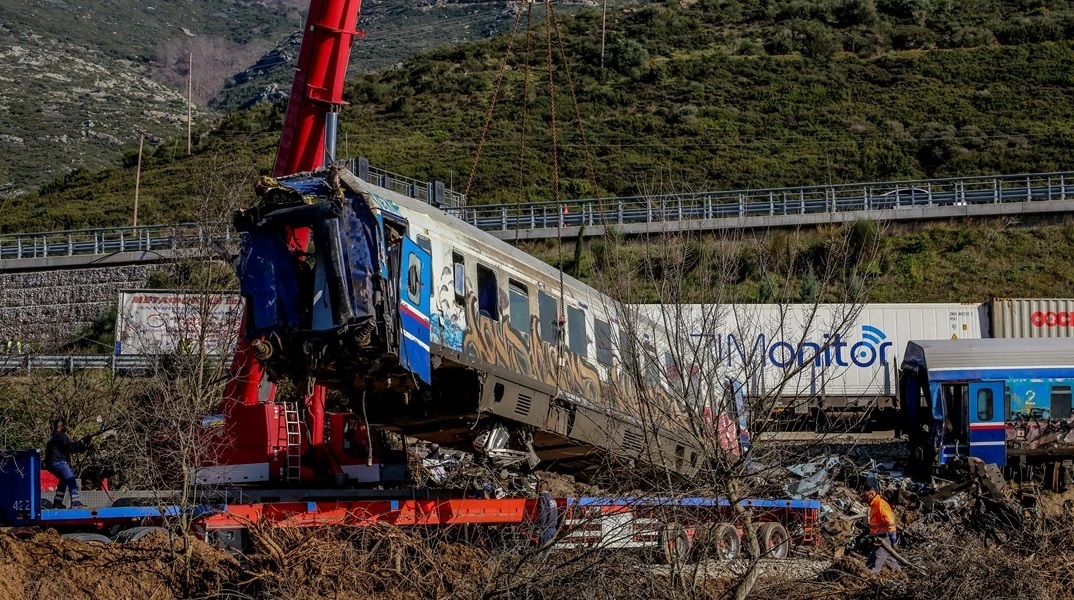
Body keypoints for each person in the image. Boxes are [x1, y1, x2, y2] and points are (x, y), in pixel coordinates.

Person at [45, 419, 90, 508]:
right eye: (64, 426)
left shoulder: (52, 437)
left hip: (51, 464)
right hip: (59, 462)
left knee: (64, 479)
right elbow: (70, 447)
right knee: (70, 478)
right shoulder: (61, 436)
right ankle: (75, 502)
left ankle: (57, 502)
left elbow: (67, 449)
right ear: (61, 426)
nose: (66, 427)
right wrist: (81, 442)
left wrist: (81, 446)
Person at [863, 485, 901, 574]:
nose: (864, 498)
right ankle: (900, 573)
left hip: (885, 536)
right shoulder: (874, 505)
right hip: (879, 536)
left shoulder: (880, 504)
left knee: (878, 556)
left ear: (871, 494)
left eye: (865, 495)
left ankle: (872, 574)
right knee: (887, 557)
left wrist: (893, 535)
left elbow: (889, 521)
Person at [536, 480, 558, 548]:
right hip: (553, 528)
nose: (535, 489)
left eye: (536, 487)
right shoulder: (551, 498)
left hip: (546, 528)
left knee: (543, 550)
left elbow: (543, 514)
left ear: (540, 488)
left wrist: (541, 527)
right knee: (549, 549)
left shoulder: (543, 498)